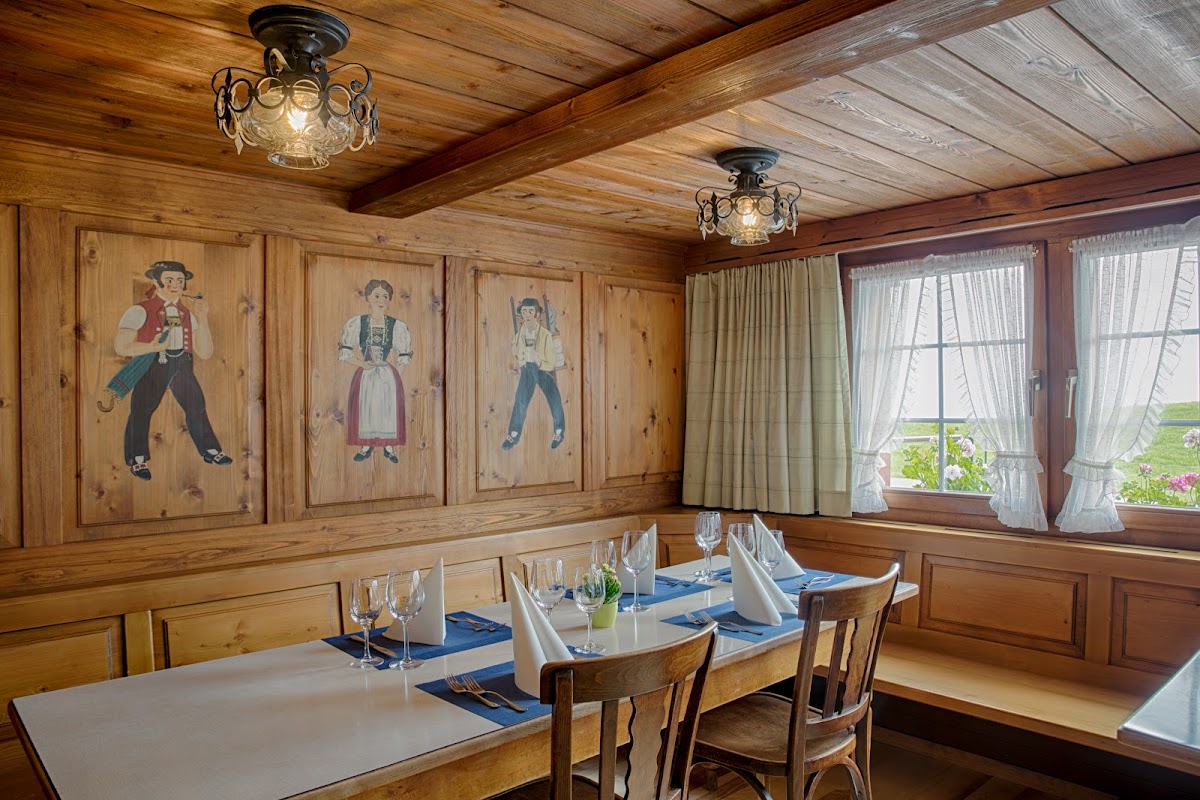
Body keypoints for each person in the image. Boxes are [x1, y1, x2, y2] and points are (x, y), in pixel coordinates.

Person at [114, 261, 230, 480]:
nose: (175, 285)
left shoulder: (188, 314)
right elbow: (121, 347)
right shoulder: (139, 311)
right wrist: (152, 347)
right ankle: (137, 458)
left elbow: (205, 352)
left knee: (196, 405)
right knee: (141, 409)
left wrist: (202, 317)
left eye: (179, 280)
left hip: (182, 364)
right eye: (169, 280)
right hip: (151, 364)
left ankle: (210, 450)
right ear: (156, 281)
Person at [338, 279, 412, 463]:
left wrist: (395, 378)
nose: (381, 300)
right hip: (366, 374)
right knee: (367, 408)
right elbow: (345, 352)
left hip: (387, 374)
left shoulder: (396, 325)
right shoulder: (358, 323)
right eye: (377, 296)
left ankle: (388, 447)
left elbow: (404, 355)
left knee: (387, 409)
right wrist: (362, 364)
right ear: (368, 298)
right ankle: (366, 446)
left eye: (385, 296)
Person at [503, 297, 565, 450]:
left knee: (554, 397)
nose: (527, 315)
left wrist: (540, 362)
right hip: (529, 369)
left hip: (543, 370)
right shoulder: (520, 335)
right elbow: (517, 353)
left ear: (537, 314)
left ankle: (559, 431)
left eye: (531, 311)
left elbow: (551, 363)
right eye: (524, 312)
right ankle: (514, 434)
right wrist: (517, 354)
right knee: (521, 400)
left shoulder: (545, 335)